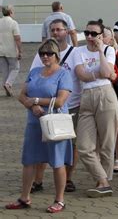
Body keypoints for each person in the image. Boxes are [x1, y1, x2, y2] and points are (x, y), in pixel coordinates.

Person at [6, 39, 72, 213]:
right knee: (28, 160)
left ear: (56, 55)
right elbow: (21, 95)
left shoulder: (63, 74)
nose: (45, 56)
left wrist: (36, 100)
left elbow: (60, 101)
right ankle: (24, 197)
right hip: (34, 123)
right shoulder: (35, 71)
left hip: (54, 124)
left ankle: (59, 200)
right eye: (42, 53)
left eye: (49, 53)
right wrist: (32, 106)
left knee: (57, 162)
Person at [29, 19, 81, 193]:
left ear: (67, 31)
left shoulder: (75, 52)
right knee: (42, 146)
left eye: (59, 29)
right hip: (42, 110)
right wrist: (32, 102)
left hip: (70, 106)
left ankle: (68, 179)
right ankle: (38, 180)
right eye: (53, 30)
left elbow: (81, 76)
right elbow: (31, 80)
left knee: (68, 146)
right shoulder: (41, 54)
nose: (56, 33)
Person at [74, 19, 118, 198]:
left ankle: (103, 181)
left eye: (94, 34)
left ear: (101, 36)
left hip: (106, 95)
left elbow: (108, 73)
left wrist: (101, 49)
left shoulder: (108, 50)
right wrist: (97, 73)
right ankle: (103, 180)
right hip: (86, 97)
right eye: (87, 33)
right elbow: (82, 75)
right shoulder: (79, 51)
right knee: (84, 146)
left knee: (107, 142)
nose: (90, 37)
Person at [102, 27, 118, 174]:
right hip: (99, 94)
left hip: (114, 92)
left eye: (104, 36)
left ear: (111, 39)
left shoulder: (114, 53)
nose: (101, 38)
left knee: (116, 126)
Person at [0, 5, 22, 97]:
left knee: (4, 71)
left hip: (1, 50)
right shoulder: (13, 23)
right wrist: (20, 51)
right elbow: (17, 38)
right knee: (15, 68)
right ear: (11, 13)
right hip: (11, 50)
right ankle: (8, 84)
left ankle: (7, 89)